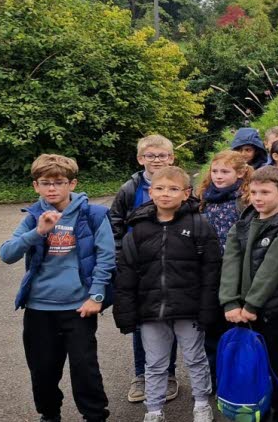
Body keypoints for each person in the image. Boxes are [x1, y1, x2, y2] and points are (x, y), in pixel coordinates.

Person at [0, 154, 114, 422]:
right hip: (39, 308)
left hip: (79, 307)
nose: (52, 188)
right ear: (36, 186)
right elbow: (6, 254)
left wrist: (96, 295)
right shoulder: (33, 217)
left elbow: (106, 257)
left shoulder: (93, 215)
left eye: (59, 182)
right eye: (45, 182)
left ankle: (95, 416)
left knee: (85, 370)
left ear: (72, 184)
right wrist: (37, 231)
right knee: (43, 371)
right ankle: (49, 415)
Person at [114, 166, 221, 422]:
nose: (165, 194)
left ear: (186, 193)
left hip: (189, 308)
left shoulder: (199, 224)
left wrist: (209, 308)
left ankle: (202, 404)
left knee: (196, 358)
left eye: (173, 189)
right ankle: (153, 409)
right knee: (155, 363)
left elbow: (212, 269)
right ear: (150, 192)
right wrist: (126, 312)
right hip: (151, 309)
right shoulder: (138, 228)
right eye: (159, 188)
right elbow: (127, 272)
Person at [219, 166, 278, 422]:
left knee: (274, 364)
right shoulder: (242, 224)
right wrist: (230, 302)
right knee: (246, 363)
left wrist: (252, 305)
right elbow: (229, 263)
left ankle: (274, 410)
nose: (258, 198)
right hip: (239, 311)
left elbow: (271, 271)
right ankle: (249, 409)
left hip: (272, 310)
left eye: (265, 192)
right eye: (253, 192)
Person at [107, 135, 180, 404]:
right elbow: (114, 223)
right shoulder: (129, 189)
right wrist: (119, 257)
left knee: (169, 318)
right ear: (141, 159)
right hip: (137, 266)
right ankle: (142, 375)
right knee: (141, 322)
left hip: (172, 265)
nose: (157, 160)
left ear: (171, 158)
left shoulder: (181, 185)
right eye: (151, 156)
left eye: (162, 155)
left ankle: (169, 374)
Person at [196, 149, 252, 383]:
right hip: (208, 273)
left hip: (235, 274)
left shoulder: (244, 201)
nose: (218, 176)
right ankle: (214, 377)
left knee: (237, 327)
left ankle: (238, 377)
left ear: (240, 174)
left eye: (225, 171)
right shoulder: (204, 200)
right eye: (215, 170)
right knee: (211, 328)